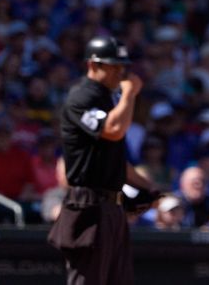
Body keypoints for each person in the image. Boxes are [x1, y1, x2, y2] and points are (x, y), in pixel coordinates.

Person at [47, 35, 143, 284]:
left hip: (112, 204)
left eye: (122, 66)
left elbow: (113, 156)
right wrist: (129, 96)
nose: (120, 73)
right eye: (113, 66)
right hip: (88, 204)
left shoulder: (106, 98)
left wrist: (150, 188)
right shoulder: (82, 97)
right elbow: (113, 130)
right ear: (93, 65)